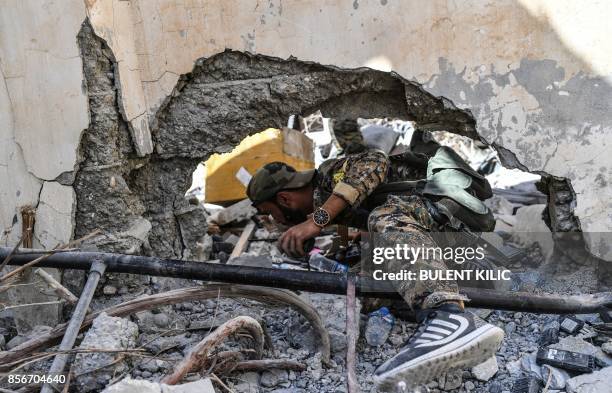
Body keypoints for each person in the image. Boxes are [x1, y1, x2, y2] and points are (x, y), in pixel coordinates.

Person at [246, 150, 504, 391]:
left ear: (284, 199)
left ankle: (448, 316)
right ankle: (465, 278)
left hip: (450, 213)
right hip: (434, 229)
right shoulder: (327, 201)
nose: (275, 222)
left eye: (271, 214)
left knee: (384, 217)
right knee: (359, 288)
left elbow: (376, 161)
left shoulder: (327, 177)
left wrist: (317, 221)